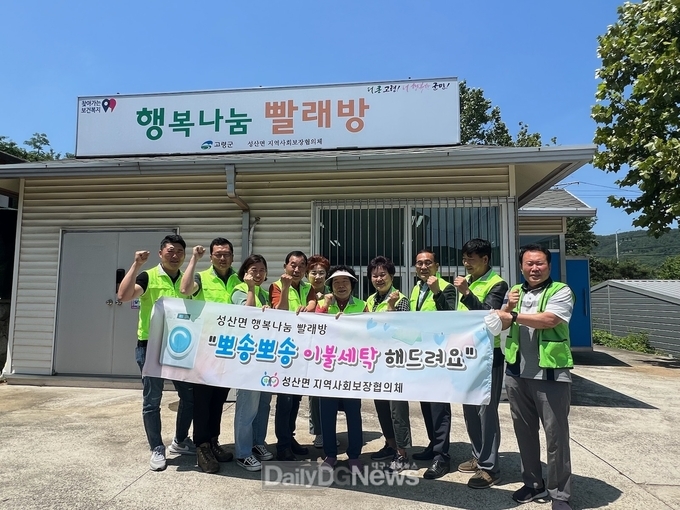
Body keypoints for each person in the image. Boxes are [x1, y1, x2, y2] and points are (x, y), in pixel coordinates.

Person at [495, 244, 575, 510]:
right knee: (524, 432)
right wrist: (508, 307)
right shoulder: (514, 292)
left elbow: (549, 320)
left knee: (556, 436)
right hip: (517, 373)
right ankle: (532, 483)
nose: (535, 268)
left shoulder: (560, 290)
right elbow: (502, 323)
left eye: (540, 263)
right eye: (529, 264)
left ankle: (560, 494)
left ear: (549, 266)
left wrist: (513, 314)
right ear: (521, 267)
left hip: (550, 374)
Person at [117, 234, 194, 471]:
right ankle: (157, 448)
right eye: (170, 250)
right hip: (150, 346)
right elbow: (123, 296)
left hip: (180, 347)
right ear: (161, 253)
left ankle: (180, 440)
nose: (175, 255)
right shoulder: (148, 276)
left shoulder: (187, 279)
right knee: (152, 400)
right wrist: (136, 264)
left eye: (180, 251)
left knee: (190, 396)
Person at [453, 239, 508, 489]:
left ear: (485, 259)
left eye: (471, 259)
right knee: (470, 409)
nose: (466, 263)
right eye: (464, 259)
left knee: (486, 411)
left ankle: (490, 468)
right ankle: (478, 456)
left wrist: (466, 293)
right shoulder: (468, 281)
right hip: (466, 354)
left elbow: (488, 316)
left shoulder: (497, 284)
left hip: (488, 355)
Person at [179, 239, 236, 474]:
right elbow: (184, 290)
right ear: (211, 257)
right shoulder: (201, 278)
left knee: (218, 400)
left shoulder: (239, 280)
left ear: (232, 256)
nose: (222, 258)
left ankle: (213, 441)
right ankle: (201, 447)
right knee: (202, 401)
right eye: (218, 254)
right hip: (204, 350)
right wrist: (194, 258)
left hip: (228, 350)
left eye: (226, 254)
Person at [409, 249, 457, 479]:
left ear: (436, 266)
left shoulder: (447, 288)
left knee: (439, 407)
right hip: (421, 356)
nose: (423, 267)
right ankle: (433, 444)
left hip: (439, 356)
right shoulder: (416, 288)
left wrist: (437, 291)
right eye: (419, 263)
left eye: (428, 263)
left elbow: (450, 316)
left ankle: (442, 456)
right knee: (426, 404)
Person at [316, 265, 368, 473]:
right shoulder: (323, 304)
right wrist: (324, 307)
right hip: (327, 367)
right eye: (336, 283)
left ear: (352, 285)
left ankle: (354, 455)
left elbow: (370, 332)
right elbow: (313, 328)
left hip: (352, 368)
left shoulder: (362, 305)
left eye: (345, 282)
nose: (341, 286)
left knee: (353, 413)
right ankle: (330, 454)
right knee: (327, 413)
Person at [365, 256, 413, 473]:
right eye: (374, 275)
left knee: (397, 410)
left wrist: (391, 308)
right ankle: (390, 444)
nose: (378, 279)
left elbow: (404, 333)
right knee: (382, 407)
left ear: (392, 276)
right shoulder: (370, 300)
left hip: (395, 362)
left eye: (383, 274)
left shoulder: (401, 300)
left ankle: (402, 453)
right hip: (377, 362)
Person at [269, 250, 316, 461]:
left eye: (301, 266)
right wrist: (286, 287)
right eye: (293, 265)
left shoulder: (308, 287)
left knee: (296, 398)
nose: (297, 269)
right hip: (284, 351)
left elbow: (314, 305)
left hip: (302, 350)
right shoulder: (276, 286)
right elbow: (280, 311)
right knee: (285, 400)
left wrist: (310, 306)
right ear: (285, 266)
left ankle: (290, 437)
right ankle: (282, 445)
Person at [230, 254, 274, 472]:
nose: (258, 274)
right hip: (248, 357)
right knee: (247, 406)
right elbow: (247, 317)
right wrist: (249, 289)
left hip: (264, 356)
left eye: (261, 270)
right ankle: (243, 453)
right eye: (253, 270)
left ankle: (257, 442)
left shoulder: (264, 294)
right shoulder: (240, 290)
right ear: (245, 272)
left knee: (263, 404)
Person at [305, 255, 331, 449]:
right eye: (313, 272)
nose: (318, 276)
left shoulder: (333, 292)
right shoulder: (303, 291)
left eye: (322, 273)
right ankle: (319, 432)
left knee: (328, 393)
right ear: (307, 274)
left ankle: (329, 430)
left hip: (329, 350)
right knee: (314, 395)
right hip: (306, 350)